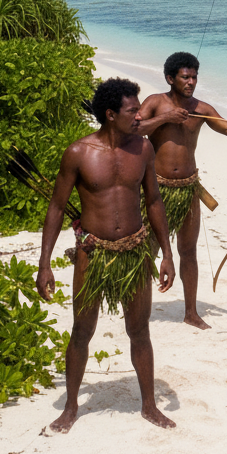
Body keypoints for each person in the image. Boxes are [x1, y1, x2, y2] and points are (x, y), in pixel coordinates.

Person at [36, 77, 176, 433]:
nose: (139, 117)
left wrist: (167, 255)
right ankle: (70, 407)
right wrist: (45, 263)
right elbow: (56, 207)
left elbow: (154, 201)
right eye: (133, 111)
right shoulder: (79, 153)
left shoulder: (143, 149)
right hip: (93, 253)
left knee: (139, 329)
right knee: (82, 330)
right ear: (111, 114)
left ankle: (149, 405)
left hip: (133, 251)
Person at [137, 52, 227, 330]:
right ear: (170, 78)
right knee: (147, 250)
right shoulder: (155, 102)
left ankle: (190, 312)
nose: (191, 82)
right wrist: (166, 119)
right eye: (185, 77)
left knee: (188, 251)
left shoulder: (202, 108)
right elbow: (133, 128)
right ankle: (138, 310)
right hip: (157, 189)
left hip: (188, 190)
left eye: (194, 77)